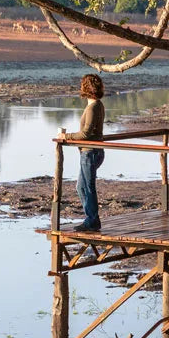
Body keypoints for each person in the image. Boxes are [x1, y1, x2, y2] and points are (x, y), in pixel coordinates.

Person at [72, 73, 105, 232]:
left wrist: (66, 136)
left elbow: (86, 133)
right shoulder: (96, 105)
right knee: (81, 187)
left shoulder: (93, 107)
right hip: (92, 151)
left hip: (90, 152)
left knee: (88, 186)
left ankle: (92, 220)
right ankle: (91, 218)